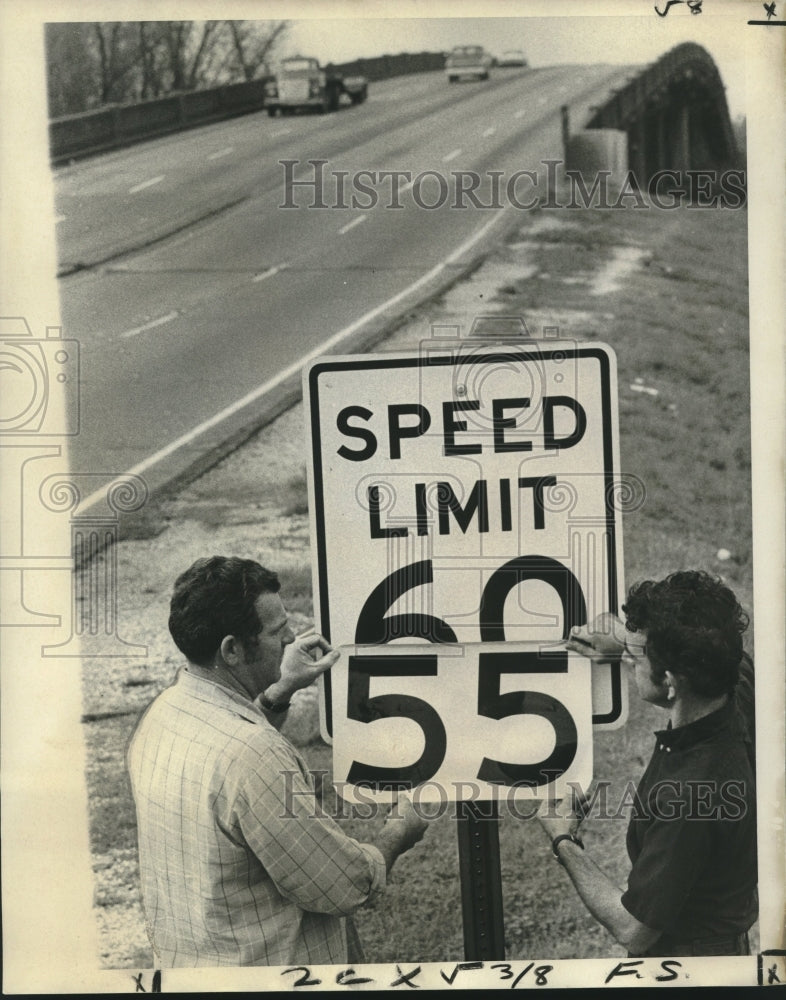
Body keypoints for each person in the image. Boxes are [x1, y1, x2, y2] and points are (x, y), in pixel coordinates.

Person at [127, 555, 428, 967]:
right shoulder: (253, 754)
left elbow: (230, 759)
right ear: (232, 649)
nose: (291, 641)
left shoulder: (163, 713)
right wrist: (399, 833)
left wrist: (281, 690)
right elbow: (341, 884)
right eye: (278, 633)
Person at [535, 570, 757, 957]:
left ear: (670, 681)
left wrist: (563, 839)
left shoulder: (689, 798)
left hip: (690, 970)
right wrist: (624, 639)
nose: (627, 660)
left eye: (635, 658)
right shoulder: (731, 685)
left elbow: (634, 929)